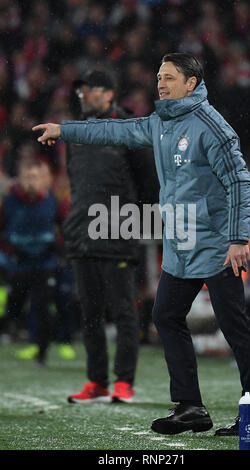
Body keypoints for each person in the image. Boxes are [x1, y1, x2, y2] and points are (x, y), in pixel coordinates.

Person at [32, 53, 250, 435]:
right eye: (159, 76)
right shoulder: (161, 122)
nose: (160, 83)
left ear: (191, 83)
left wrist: (238, 238)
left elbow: (242, 183)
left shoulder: (212, 127)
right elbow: (115, 132)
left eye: (169, 77)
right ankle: (191, 406)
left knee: (234, 327)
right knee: (165, 316)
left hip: (215, 244)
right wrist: (66, 130)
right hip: (180, 245)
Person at [55, 70, 142, 404]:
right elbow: (77, 184)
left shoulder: (131, 128)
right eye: (81, 92)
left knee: (123, 311)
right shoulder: (76, 133)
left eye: (91, 91)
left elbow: (148, 183)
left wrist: (137, 225)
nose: (84, 96)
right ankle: (97, 381)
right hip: (82, 232)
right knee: (89, 313)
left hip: (119, 229)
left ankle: (124, 382)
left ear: (109, 95)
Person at [0, 158, 65, 365]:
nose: (31, 182)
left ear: (42, 180)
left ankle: (42, 350)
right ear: (20, 179)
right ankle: (11, 330)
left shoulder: (52, 202)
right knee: (14, 306)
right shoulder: (8, 203)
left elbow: (63, 229)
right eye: (27, 177)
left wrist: (59, 247)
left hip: (44, 264)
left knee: (42, 307)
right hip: (17, 264)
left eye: (35, 177)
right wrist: (9, 251)